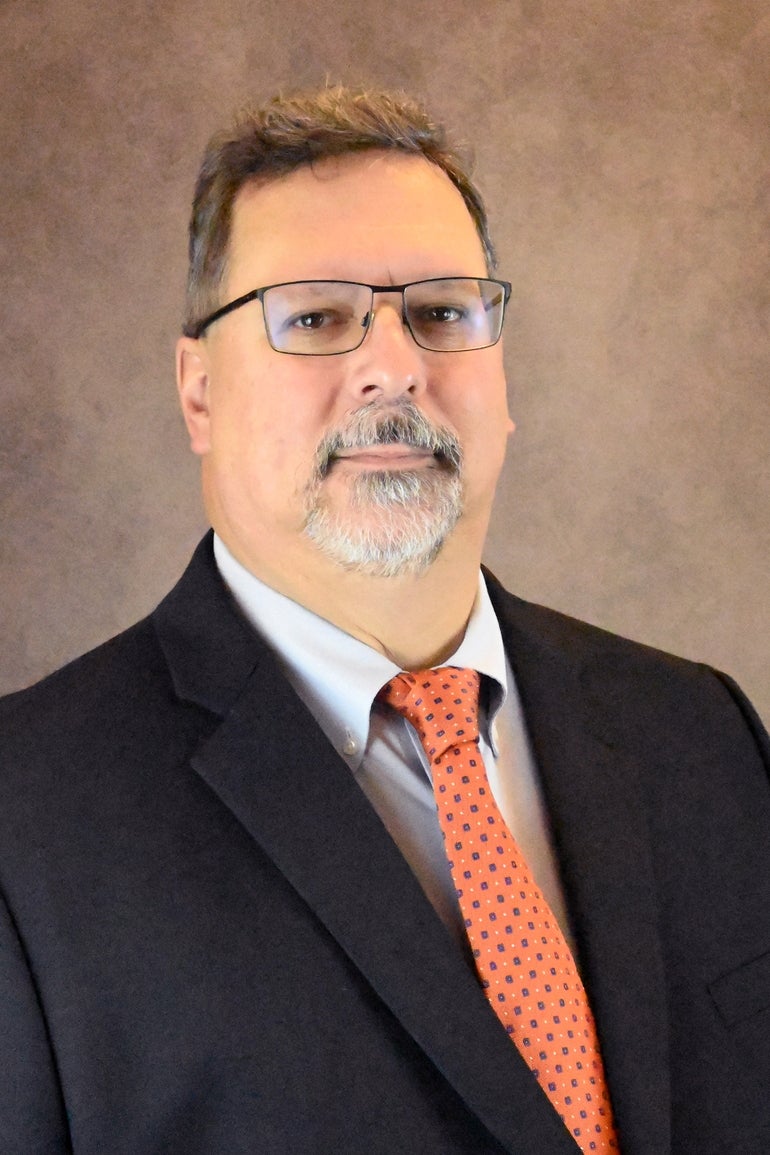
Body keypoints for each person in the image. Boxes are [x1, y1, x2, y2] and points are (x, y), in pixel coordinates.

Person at [0, 85, 769, 1155]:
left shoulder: (703, 734)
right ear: (198, 394)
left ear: (498, 372)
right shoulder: (25, 824)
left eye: (442, 312)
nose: (393, 364)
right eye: (315, 317)